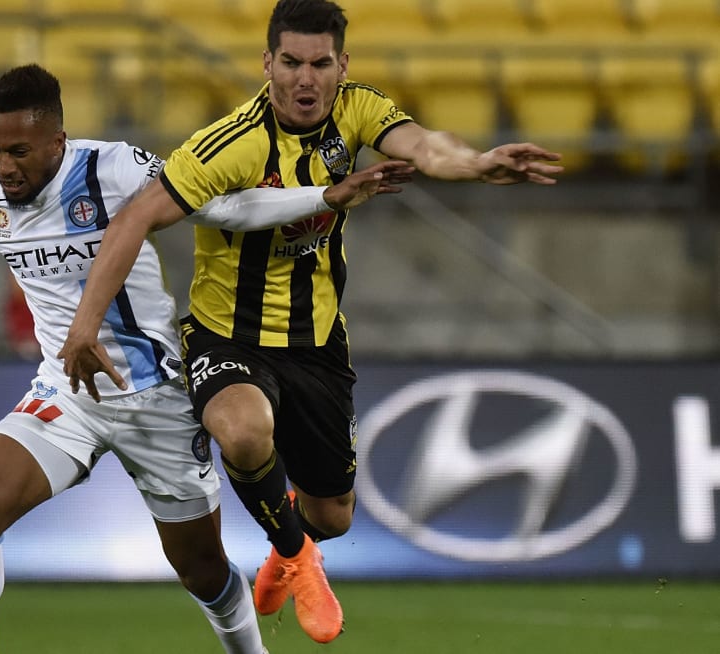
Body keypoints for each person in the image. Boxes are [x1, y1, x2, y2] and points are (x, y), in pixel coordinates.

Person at [0, 63, 412, 654]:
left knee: (202, 570)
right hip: (70, 392)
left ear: (57, 141)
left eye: (18, 151)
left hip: (161, 399)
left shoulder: (115, 168)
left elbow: (227, 207)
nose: (3, 166)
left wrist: (323, 195)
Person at [58, 0, 564, 644]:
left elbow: (426, 146)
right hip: (227, 336)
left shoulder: (359, 108)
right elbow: (134, 218)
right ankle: (299, 559)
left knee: (335, 513)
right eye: (290, 62)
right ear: (266, 63)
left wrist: (474, 163)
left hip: (318, 343)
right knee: (242, 433)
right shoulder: (230, 144)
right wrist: (85, 326)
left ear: (341, 65)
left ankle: (287, 547)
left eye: (320, 63)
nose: (305, 79)